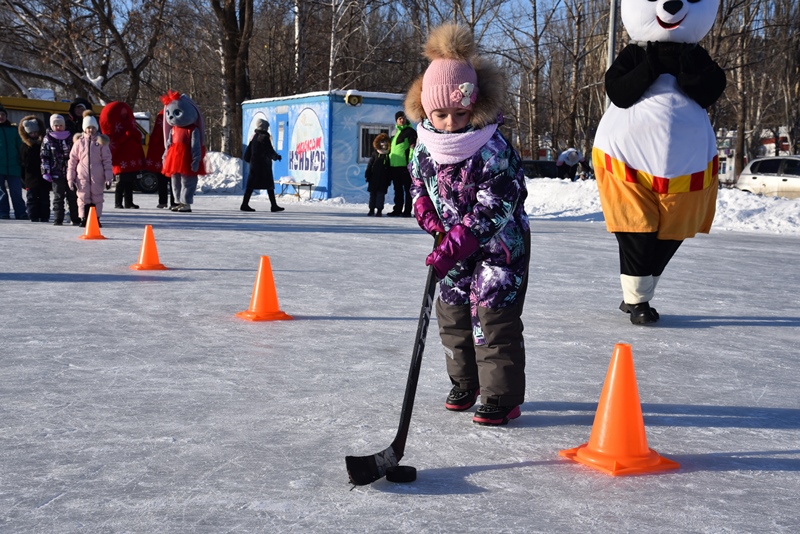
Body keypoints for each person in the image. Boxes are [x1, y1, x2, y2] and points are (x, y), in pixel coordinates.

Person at [406, 24, 531, 426]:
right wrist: (427, 214)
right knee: (454, 315)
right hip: (452, 250)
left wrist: (455, 242)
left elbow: (495, 205)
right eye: (440, 114)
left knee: (494, 319)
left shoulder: (492, 147)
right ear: (426, 109)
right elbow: (418, 186)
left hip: (500, 250)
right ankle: (465, 382)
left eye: (460, 113)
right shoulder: (423, 145)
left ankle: (501, 396)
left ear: (474, 107)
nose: (449, 123)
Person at [592, 0, 726, 325]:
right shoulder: (636, 53)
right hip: (627, 158)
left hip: (686, 165)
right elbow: (619, 92)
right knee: (636, 225)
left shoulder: (693, 55)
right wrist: (650, 67)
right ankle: (638, 300)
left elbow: (710, 90)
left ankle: (638, 289)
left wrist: (683, 70)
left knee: (673, 228)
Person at [161, 90, 206, 213]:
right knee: (175, 180)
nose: (171, 117)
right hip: (174, 159)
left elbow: (195, 145)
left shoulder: (192, 130)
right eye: (169, 113)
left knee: (188, 180)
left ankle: (186, 202)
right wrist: (165, 156)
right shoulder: (173, 129)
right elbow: (169, 144)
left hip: (187, 157)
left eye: (176, 113)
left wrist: (196, 159)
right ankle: (179, 201)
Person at [67, 111, 113, 227]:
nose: (91, 130)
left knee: (97, 197)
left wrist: (108, 177)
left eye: (93, 127)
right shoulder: (79, 143)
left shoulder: (101, 142)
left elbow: (107, 161)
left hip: (97, 176)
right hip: (82, 175)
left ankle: (96, 218)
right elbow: (72, 161)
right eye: (88, 128)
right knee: (82, 197)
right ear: (84, 129)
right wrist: (70, 178)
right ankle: (83, 218)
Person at [100, 101, 145, 209]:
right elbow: (115, 141)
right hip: (121, 158)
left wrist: (134, 134)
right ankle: (118, 202)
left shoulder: (129, 123)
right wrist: (126, 136)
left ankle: (129, 202)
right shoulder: (116, 126)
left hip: (131, 157)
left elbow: (138, 136)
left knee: (130, 181)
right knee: (122, 182)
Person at [42, 114, 80, 226]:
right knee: (58, 197)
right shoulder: (48, 138)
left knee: (72, 196)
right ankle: (58, 219)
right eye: (56, 125)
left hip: (70, 173)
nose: (58, 127)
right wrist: (46, 171)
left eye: (61, 125)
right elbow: (44, 156)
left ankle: (75, 218)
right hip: (56, 173)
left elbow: (77, 154)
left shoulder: (70, 137)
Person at [241, 119, 283, 212]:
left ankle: (244, 204)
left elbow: (248, 152)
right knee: (269, 185)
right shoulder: (264, 137)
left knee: (251, 185)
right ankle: (274, 205)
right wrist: (276, 157)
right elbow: (269, 150)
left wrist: (249, 160)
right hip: (263, 166)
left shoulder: (255, 136)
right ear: (263, 127)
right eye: (267, 127)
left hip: (254, 165)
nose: (268, 129)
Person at [18, 116, 50, 222]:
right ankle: (33, 216)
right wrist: (23, 178)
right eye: (32, 133)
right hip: (30, 178)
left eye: (36, 133)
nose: (34, 135)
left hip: (43, 176)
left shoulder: (44, 145)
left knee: (44, 198)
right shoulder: (25, 146)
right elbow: (22, 163)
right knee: (32, 199)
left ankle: (44, 216)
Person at [385, 111, 417, 217]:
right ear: (396, 120)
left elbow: (413, 148)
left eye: (403, 118)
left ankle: (407, 210)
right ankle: (397, 209)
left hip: (405, 166)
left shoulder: (410, 132)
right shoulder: (394, 133)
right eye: (399, 118)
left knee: (407, 189)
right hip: (394, 166)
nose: (401, 120)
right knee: (397, 189)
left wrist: (410, 163)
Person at [0, 102, 28, 220]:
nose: (1, 117)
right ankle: (3, 212)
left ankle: (21, 212)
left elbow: (20, 146)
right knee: (1, 193)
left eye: (2, 114)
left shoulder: (13, 130)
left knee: (16, 191)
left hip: (14, 166)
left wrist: (21, 160)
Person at [144, 111, 175, 209]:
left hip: (162, 156)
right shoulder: (176, 122)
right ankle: (174, 202)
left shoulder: (161, 119)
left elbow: (155, 138)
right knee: (173, 181)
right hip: (170, 155)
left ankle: (163, 202)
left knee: (163, 181)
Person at [364, 133, 391, 216]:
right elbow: (370, 165)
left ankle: (379, 210)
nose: (383, 144)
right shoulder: (375, 154)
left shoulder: (388, 155)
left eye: (385, 142)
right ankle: (371, 209)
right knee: (373, 194)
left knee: (380, 195)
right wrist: (368, 174)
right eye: (381, 142)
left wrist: (389, 179)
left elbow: (389, 168)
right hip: (373, 178)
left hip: (383, 179)